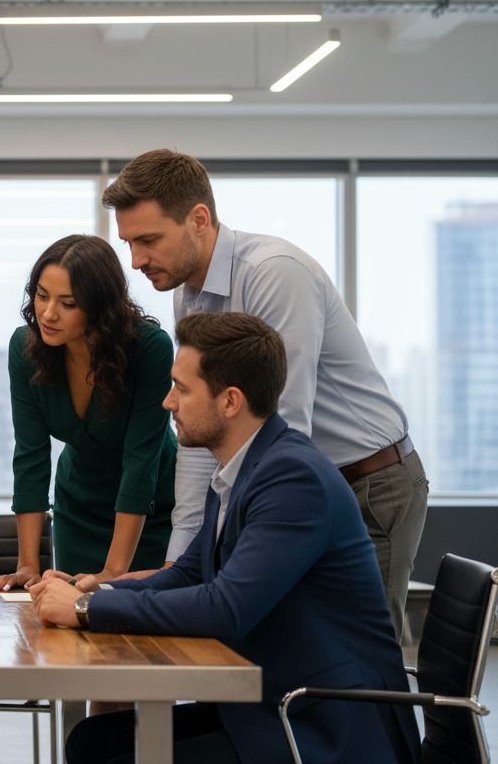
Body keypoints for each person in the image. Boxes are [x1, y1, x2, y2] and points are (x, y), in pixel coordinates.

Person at [32, 311, 420, 764]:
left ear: (230, 401)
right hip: (273, 700)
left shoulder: (292, 478)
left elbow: (225, 608)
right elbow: (190, 574)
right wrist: (98, 588)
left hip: (323, 721)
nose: (167, 402)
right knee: (93, 741)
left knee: (112, 754)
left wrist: (84, 609)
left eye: (181, 388)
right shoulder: (243, 467)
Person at [106, 149, 428, 642]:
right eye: (129, 242)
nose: (136, 260)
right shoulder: (188, 293)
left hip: (367, 482)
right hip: (297, 484)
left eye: (148, 240)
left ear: (199, 220)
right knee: (277, 641)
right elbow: (201, 435)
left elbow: (282, 424)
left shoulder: (274, 273)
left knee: (356, 656)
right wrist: (179, 561)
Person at [0, 235, 176, 594]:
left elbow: (141, 465)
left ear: (100, 308)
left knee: (146, 632)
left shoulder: (150, 349)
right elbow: (30, 456)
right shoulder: (25, 348)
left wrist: (112, 572)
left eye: (67, 303)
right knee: (73, 635)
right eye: (42, 296)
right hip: (79, 509)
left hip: (151, 512)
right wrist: (27, 565)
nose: (48, 313)